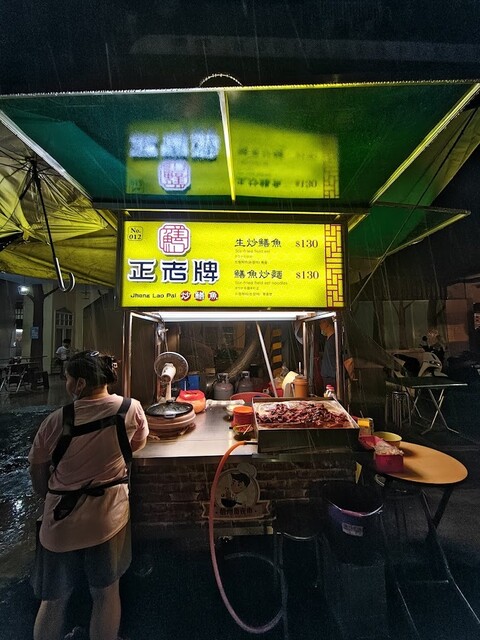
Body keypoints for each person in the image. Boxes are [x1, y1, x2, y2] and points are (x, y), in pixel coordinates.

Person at [28, 350, 149, 640]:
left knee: (54, 600)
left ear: (80, 383)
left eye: (68, 378)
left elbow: (37, 470)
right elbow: (137, 445)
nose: (66, 383)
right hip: (108, 519)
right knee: (106, 594)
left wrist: (51, 495)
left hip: (60, 524)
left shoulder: (56, 420)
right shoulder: (130, 408)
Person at [319, 317, 355, 391]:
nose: (319, 326)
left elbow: (349, 361)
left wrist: (350, 379)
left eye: (320, 323)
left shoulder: (337, 339)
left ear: (326, 322)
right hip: (327, 379)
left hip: (335, 380)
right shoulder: (328, 340)